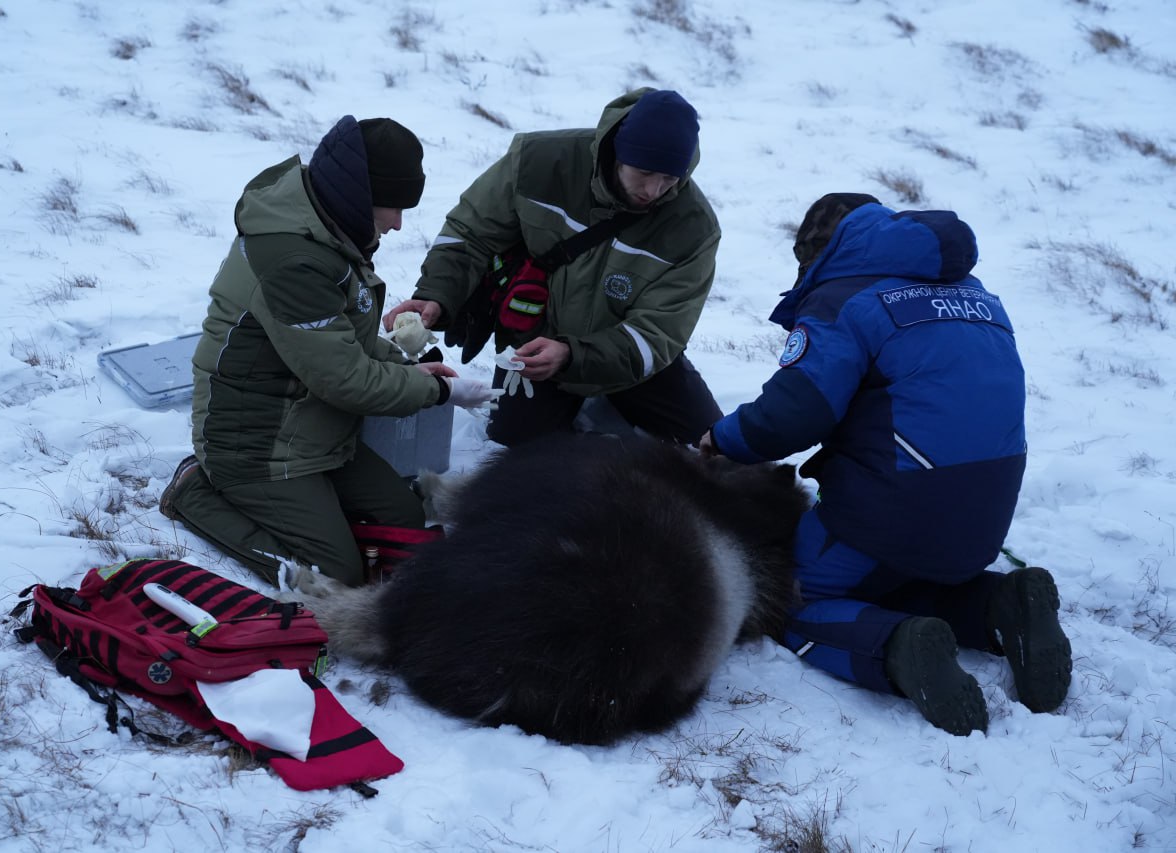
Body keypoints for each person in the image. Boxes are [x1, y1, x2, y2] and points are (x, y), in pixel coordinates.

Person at [700, 193, 1072, 735]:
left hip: (896, 508)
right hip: (986, 512)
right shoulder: (977, 296)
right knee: (899, 577)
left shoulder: (847, 298)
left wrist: (722, 438)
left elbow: (795, 414)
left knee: (793, 596)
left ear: (819, 252)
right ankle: (1000, 606)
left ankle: (898, 650)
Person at [159, 115, 500, 587]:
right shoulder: (295, 260)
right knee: (333, 574)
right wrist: (437, 394)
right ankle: (194, 492)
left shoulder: (326, 228)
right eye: (392, 207)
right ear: (361, 195)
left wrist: (404, 367)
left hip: (314, 432)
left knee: (403, 519)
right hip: (254, 446)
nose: (398, 224)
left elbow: (340, 344)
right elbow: (345, 380)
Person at [383, 88, 723, 447]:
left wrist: (572, 355)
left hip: (630, 366)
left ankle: (610, 402)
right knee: (515, 444)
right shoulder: (537, 162)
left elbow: (657, 334)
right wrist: (435, 295)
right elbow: (469, 235)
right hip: (533, 347)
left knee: (711, 448)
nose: (654, 190)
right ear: (618, 152)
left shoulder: (694, 227)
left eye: (670, 179)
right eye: (644, 172)